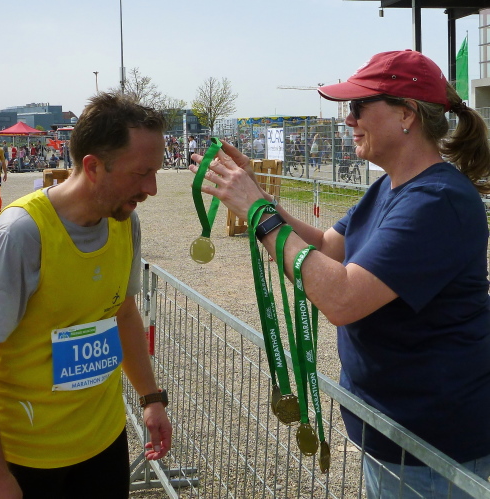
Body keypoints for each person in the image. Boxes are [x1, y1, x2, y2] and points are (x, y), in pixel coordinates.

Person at [191, 50, 490, 499]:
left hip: (432, 450)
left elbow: (342, 299)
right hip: (396, 435)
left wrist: (257, 213)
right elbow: (326, 247)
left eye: (358, 106)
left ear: (406, 114)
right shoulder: (390, 187)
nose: (348, 119)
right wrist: (258, 197)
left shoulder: (436, 201)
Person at [0, 93, 172, 499]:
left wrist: (151, 398)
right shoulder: (20, 234)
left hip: (105, 443)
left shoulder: (124, 221)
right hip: (32, 456)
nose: (152, 188)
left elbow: (124, 312)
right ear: (92, 167)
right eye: (141, 173)